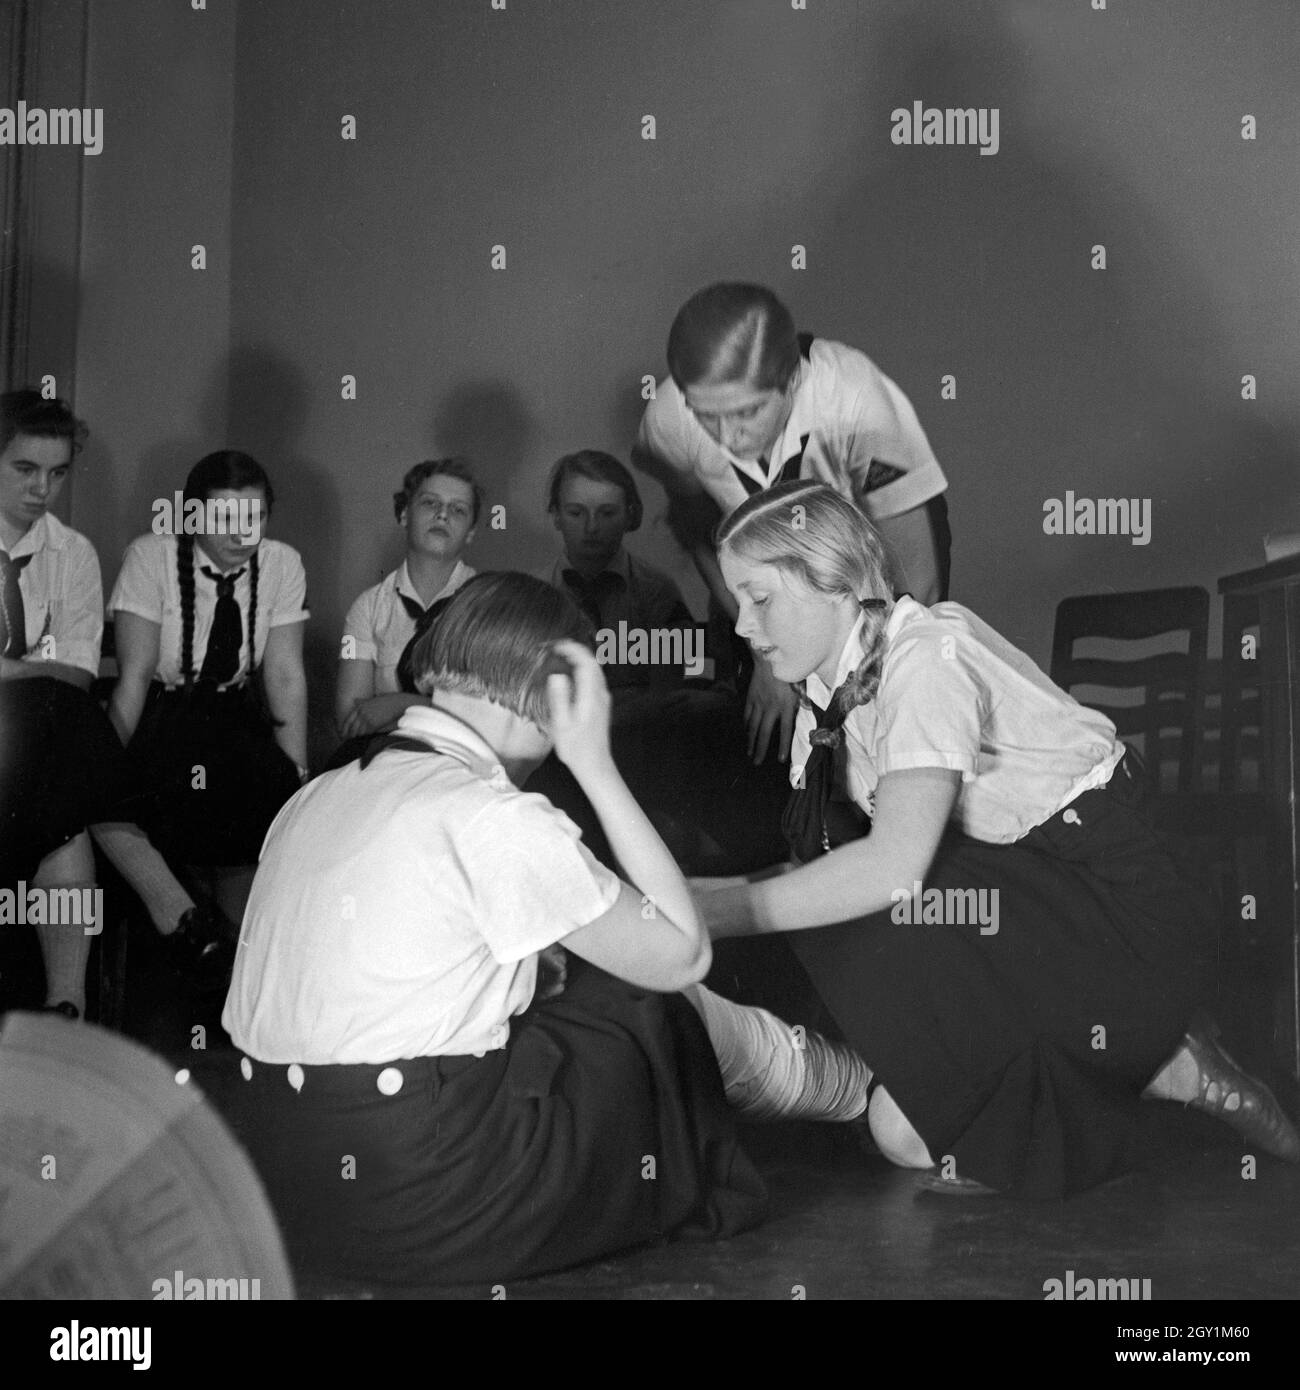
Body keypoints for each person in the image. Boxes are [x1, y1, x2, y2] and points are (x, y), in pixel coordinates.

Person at [221, 572, 869, 1287]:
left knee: (577, 978)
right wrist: (595, 764)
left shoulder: (316, 795)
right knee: (645, 1005)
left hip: (287, 1191)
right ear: (558, 695)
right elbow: (682, 954)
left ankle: (834, 1082)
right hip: (424, 1194)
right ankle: (849, 1088)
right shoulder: (493, 815)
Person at [692, 481, 1300, 1199]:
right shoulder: (823, 694)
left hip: (1121, 905)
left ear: (836, 582)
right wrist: (692, 897)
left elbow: (893, 871)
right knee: (900, 1133)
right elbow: (827, 860)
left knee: (879, 904)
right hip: (1018, 894)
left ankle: (1177, 1073)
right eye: (737, 601)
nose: (741, 625)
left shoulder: (925, 657)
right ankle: (1134, 1074)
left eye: (759, 598)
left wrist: (725, 910)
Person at [633, 281, 950, 767]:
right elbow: (696, 531)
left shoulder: (855, 400)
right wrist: (768, 660)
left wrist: (859, 695)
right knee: (780, 753)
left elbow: (916, 584)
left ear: (793, 380)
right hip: (763, 565)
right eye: (707, 417)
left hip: (876, 559)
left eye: (748, 412)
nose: (727, 436)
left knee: (888, 728)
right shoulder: (669, 418)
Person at [0, 392, 231, 1018]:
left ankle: (65, 1006)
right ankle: (171, 907)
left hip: (35, 738)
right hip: (34, 732)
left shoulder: (71, 553)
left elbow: (76, 673)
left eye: (57, 472)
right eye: (25, 469)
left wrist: (15, 671)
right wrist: (34, 671)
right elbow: (61, 671)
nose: (43, 488)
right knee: (59, 735)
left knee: (61, 785)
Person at [108, 451, 308, 928]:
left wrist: (299, 775)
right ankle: (187, 928)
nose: (242, 535)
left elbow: (283, 674)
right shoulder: (150, 556)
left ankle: (236, 951)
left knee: (269, 790)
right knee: (157, 798)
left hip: (235, 716)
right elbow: (135, 673)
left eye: (255, 518)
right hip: (165, 714)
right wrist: (107, 758)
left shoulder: (282, 564)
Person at [335, 458, 479, 747]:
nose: (442, 516)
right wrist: (434, 711)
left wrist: (398, 704)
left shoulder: (488, 604)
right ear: (404, 515)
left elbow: (485, 723)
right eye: (430, 503)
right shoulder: (367, 608)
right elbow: (349, 719)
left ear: (471, 533)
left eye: (458, 510)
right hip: (383, 759)